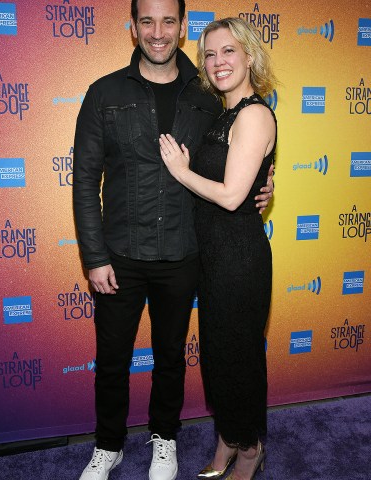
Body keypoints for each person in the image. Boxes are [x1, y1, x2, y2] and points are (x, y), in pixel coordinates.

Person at [73, 1, 274, 478]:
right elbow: (84, 180)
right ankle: (108, 446)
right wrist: (95, 256)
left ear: (183, 28)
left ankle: (165, 438)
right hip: (120, 254)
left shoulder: (207, 94)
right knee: (113, 361)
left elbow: (234, 160)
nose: (157, 32)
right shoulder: (104, 93)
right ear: (133, 27)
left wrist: (262, 186)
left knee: (171, 357)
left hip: (186, 253)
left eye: (168, 21)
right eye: (147, 20)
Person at [159, 17, 277, 480]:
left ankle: (250, 450)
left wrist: (180, 170)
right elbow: (246, 184)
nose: (217, 61)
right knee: (219, 358)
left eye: (228, 51)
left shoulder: (253, 113)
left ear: (249, 56)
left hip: (239, 259)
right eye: (209, 53)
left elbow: (231, 195)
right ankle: (229, 439)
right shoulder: (224, 113)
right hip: (214, 258)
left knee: (238, 357)